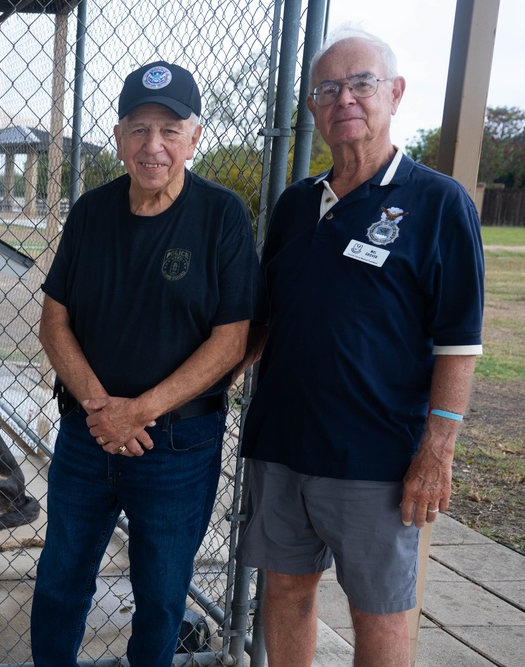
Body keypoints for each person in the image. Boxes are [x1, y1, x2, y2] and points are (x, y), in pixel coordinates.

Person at [237, 26, 485, 667]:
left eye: (361, 83)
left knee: (379, 613)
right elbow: (260, 323)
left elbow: (459, 343)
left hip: (377, 460)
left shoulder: (438, 203)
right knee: (286, 592)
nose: (344, 98)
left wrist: (439, 447)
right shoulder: (295, 206)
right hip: (282, 447)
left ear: (395, 93)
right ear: (314, 109)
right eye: (328, 88)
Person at [30, 61, 261, 666]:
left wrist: (140, 412)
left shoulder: (222, 216)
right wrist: (101, 409)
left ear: (194, 137)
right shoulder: (91, 213)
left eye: (168, 129)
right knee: (60, 582)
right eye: (138, 129)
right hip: (87, 437)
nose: (152, 145)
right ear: (118, 137)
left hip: (178, 445)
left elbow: (232, 339)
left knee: (160, 597)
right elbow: (54, 321)